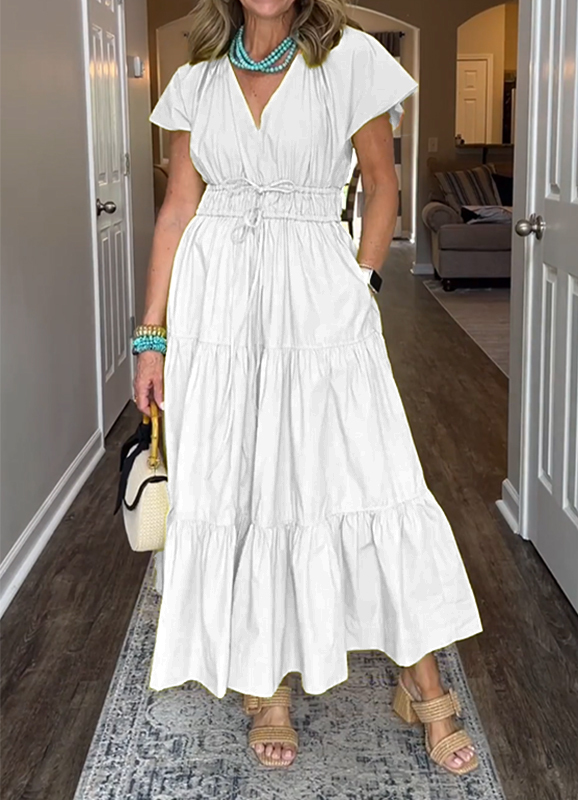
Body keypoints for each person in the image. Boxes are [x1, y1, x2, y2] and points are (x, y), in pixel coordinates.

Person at [133, 0, 483, 775]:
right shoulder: (197, 77)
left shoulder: (349, 58)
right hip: (217, 307)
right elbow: (179, 206)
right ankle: (267, 687)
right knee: (241, 483)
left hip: (319, 294)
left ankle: (422, 682)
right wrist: (151, 333)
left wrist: (360, 283)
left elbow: (382, 186)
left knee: (369, 473)